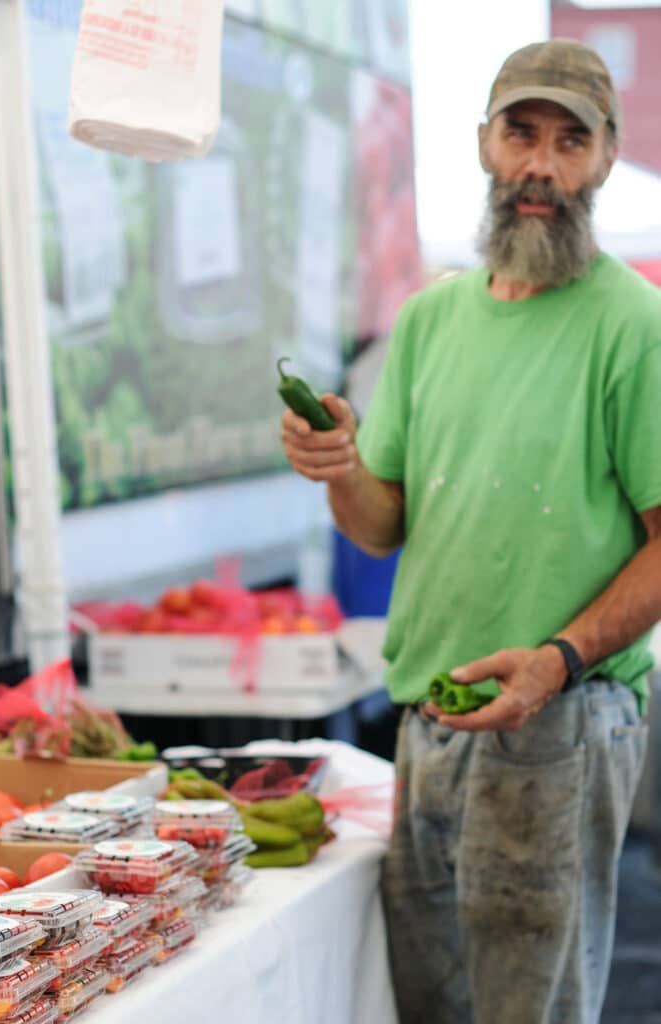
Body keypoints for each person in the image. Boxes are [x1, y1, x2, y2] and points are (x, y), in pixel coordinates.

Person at [280, 37, 661, 1024]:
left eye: (567, 140)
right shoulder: (430, 319)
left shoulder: (631, 324)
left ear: (604, 158)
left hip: (557, 723)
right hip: (428, 724)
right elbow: (380, 525)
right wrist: (338, 468)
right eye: (519, 132)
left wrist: (557, 659)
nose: (539, 165)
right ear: (482, 144)